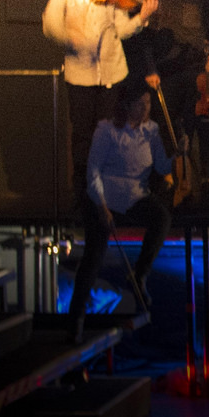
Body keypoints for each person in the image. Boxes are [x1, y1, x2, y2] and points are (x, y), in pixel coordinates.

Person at [43, 0, 156, 195]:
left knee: (108, 135)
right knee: (83, 135)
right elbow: (50, 25)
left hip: (111, 74)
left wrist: (141, 17)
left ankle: (106, 193)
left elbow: (123, 30)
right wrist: (72, 40)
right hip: (80, 76)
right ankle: (83, 193)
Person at [70, 86, 173, 317]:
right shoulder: (107, 131)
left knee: (162, 218)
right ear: (127, 106)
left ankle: (140, 273)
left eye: (148, 103)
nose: (145, 108)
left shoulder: (151, 131)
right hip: (104, 197)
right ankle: (76, 315)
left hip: (135, 196)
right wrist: (102, 206)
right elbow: (93, 171)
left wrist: (177, 154)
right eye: (140, 103)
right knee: (94, 255)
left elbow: (161, 166)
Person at [138, 0, 209, 204]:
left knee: (203, 125)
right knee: (165, 126)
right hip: (166, 71)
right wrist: (151, 69)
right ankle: (169, 180)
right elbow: (145, 39)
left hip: (197, 69)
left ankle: (207, 180)